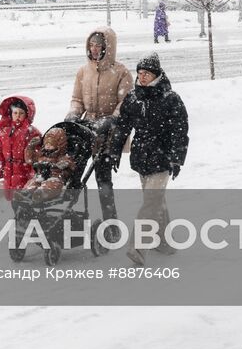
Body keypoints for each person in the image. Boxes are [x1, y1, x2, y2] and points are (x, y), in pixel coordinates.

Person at [109, 53, 189, 265]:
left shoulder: (170, 99)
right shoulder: (134, 98)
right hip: (142, 158)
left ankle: (137, 247)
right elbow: (122, 126)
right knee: (156, 202)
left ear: (157, 75)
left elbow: (179, 132)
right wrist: (115, 150)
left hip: (161, 160)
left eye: (147, 73)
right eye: (140, 73)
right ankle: (165, 243)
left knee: (150, 203)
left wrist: (176, 158)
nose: (142, 77)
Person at [64, 27, 134, 223]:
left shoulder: (121, 72)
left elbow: (126, 103)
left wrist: (112, 118)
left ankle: (110, 222)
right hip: (86, 128)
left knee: (103, 178)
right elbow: (77, 99)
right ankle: (63, 214)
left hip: (108, 132)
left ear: (108, 48)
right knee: (73, 172)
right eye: (91, 45)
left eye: (99, 46)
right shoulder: (83, 71)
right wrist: (73, 113)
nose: (94, 49)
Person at [0, 96, 41, 201]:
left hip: (24, 172)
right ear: (11, 114)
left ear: (27, 115)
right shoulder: (4, 132)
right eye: (15, 113)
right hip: (8, 172)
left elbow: (36, 154)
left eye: (21, 113)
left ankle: (22, 214)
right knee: (10, 198)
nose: (18, 116)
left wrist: (33, 173)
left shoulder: (31, 132)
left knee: (23, 199)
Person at [19, 127, 77, 203]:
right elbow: (29, 159)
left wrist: (61, 165)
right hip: (41, 176)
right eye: (47, 143)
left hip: (55, 177)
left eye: (52, 143)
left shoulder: (62, 156)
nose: (48, 145)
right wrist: (30, 147)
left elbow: (70, 163)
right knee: (33, 182)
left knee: (51, 185)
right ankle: (26, 193)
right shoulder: (41, 155)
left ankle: (41, 193)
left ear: (59, 145)